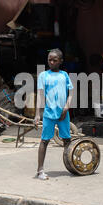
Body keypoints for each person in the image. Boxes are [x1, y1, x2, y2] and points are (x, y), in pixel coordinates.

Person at [34, 49, 74, 180]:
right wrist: (37, 114)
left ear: (61, 61)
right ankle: (40, 171)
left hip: (63, 113)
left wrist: (67, 107)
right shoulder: (43, 76)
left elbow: (71, 93)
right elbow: (40, 96)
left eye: (54, 60)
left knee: (67, 140)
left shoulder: (64, 75)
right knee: (44, 141)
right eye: (49, 59)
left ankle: (72, 166)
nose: (51, 62)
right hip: (49, 113)